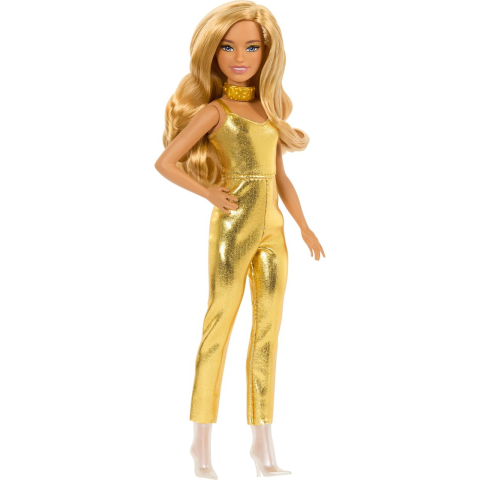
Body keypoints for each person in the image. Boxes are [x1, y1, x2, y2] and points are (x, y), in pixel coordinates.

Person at [154, 2, 325, 477]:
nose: (239, 57)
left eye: (251, 47)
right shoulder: (215, 111)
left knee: (268, 331)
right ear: (213, 52)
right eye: (228, 47)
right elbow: (165, 162)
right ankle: (200, 444)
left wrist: (304, 225)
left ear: (267, 52)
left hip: (274, 231)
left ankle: (262, 445)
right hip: (233, 228)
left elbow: (281, 177)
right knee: (218, 326)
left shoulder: (270, 111)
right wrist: (208, 192)